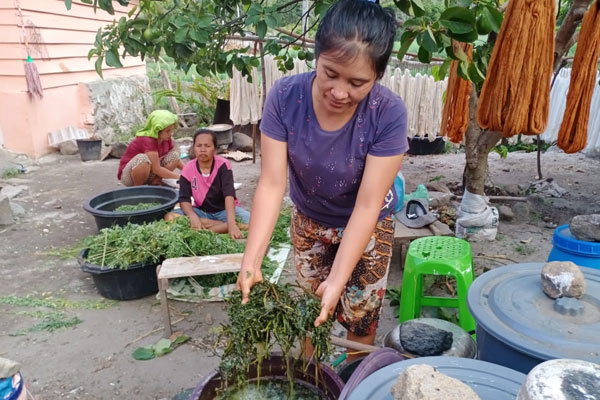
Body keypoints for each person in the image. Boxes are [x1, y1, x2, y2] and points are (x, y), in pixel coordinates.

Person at [236, 0, 408, 361]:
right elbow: (271, 184)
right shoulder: (285, 98)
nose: (340, 92)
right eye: (330, 73)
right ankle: (312, 376)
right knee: (311, 312)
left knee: (360, 318)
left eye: (358, 82)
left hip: (367, 225)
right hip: (309, 220)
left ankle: (354, 377)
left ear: (377, 76)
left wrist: (340, 278)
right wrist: (252, 261)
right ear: (316, 55)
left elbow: (367, 204)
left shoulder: (388, 113)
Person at [164, 129, 250, 239]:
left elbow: (229, 195)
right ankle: (222, 226)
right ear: (194, 148)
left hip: (224, 210)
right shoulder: (188, 169)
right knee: (169, 217)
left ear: (214, 148)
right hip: (201, 211)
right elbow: (184, 199)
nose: (203, 150)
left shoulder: (223, 165)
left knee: (253, 224)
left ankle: (211, 228)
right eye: (199, 146)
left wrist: (232, 223)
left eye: (207, 146)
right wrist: (193, 216)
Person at [117, 110, 184, 186]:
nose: (170, 134)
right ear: (157, 131)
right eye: (167, 131)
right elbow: (156, 169)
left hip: (149, 173)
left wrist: (191, 172)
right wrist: (181, 177)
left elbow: (177, 160)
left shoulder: (166, 139)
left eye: (171, 130)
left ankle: (155, 183)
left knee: (174, 155)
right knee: (142, 159)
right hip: (129, 176)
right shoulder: (147, 140)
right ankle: (139, 189)